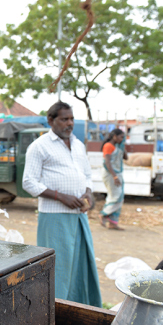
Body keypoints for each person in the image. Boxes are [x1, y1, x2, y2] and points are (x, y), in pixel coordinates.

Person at [22, 101, 101, 307]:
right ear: (51, 120)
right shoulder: (39, 146)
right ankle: (54, 311)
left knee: (81, 267)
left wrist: (88, 193)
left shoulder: (78, 144)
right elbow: (28, 182)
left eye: (72, 118)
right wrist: (61, 196)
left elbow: (87, 175)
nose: (70, 123)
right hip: (54, 217)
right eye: (64, 119)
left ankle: (81, 309)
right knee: (59, 268)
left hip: (79, 217)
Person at [100, 128, 128, 230]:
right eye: (121, 137)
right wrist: (114, 176)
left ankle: (113, 222)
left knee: (119, 196)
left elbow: (126, 158)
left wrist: (122, 146)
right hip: (110, 174)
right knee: (116, 196)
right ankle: (104, 214)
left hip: (117, 173)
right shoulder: (108, 146)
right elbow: (107, 162)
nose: (122, 139)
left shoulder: (117, 147)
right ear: (114, 136)